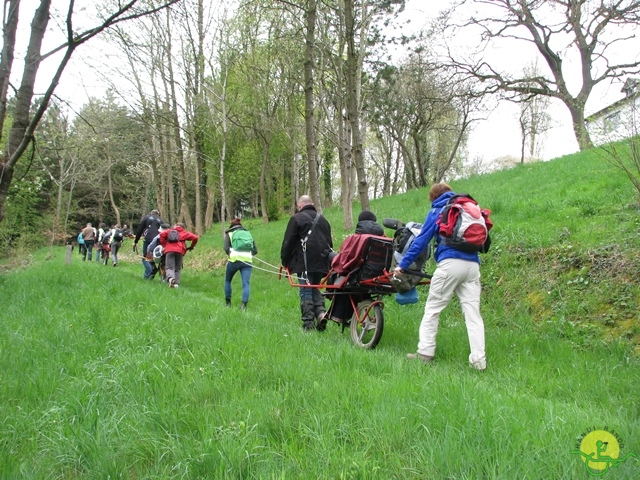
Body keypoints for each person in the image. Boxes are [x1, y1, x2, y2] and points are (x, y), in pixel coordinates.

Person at [394, 183, 487, 371]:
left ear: (433, 197)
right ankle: (479, 361)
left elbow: (421, 240)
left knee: (433, 309)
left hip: (450, 264)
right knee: (473, 315)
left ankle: (425, 353)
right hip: (473, 266)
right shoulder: (466, 207)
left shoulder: (439, 209)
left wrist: (402, 265)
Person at [281, 195, 333, 331]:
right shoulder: (323, 220)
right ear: (312, 204)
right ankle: (321, 314)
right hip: (322, 262)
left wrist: (284, 261)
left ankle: (308, 325)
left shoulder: (296, 219)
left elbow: (288, 242)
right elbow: (330, 243)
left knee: (306, 291)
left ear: (299, 206)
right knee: (314, 288)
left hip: (304, 261)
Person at [223, 218, 258, 311]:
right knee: (246, 283)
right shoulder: (247, 233)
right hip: (247, 261)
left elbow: (226, 248)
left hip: (234, 260)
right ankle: (243, 305)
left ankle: (228, 303)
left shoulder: (229, 233)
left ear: (231, 226)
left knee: (228, 281)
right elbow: (255, 250)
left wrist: (230, 254)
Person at [159, 222, 198, 288]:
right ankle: (176, 284)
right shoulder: (185, 233)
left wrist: (164, 245)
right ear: (182, 227)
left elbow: (162, 234)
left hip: (169, 250)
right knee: (177, 268)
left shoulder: (169, 231)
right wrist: (192, 246)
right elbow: (195, 237)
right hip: (180, 251)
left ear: (175, 226)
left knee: (169, 267)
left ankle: (171, 279)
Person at [133, 209, 163, 279]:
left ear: (151, 213)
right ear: (158, 214)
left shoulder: (146, 218)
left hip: (148, 239)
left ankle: (148, 273)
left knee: (145, 258)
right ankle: (154, 269)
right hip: (158, 241)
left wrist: (136, 241)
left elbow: (140, 230)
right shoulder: (161, 220)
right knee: (152, 257)